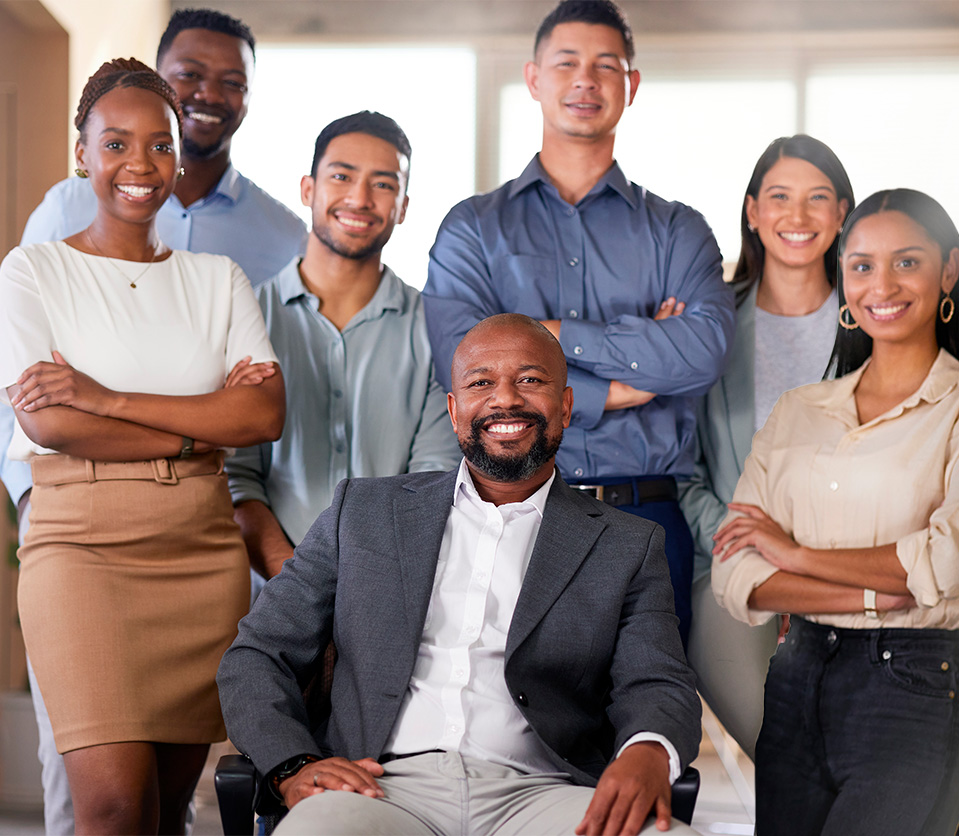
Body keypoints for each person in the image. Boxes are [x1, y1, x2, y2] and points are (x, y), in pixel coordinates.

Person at [218, 314, 701, 836]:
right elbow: (257, 654)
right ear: (454, 411)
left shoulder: (626, 544)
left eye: (531, 380)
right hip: (375, 788)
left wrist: (648, 750)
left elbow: (657, 682)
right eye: (480, 383)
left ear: (565, 407)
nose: (506, 400)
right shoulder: (362, 512)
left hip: (545, 794)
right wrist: (292, 764)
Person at [2, 11, 305, 832]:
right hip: (80, 544)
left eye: (159, 144)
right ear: (83, 154)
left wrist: (104, 397)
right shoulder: (34, 268)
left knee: (168, 809)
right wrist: (199, 428)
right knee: (109, 807)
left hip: (197, 550)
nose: (141, 164)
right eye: (116, 144)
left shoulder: (218, 277)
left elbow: (264, 412)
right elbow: (52, 424)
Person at [422, 0, 734, 647]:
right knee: (504, 727)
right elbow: (465, 363)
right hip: (508, 511)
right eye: (566, 62)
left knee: (646, 719)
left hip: (646, 516)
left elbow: (701, 350)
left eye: (605, 65)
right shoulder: (471, 229)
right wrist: (625, 381)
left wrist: (548, 334)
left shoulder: (677, 230)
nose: (585, 80)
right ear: (534, 78)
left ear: (631, 85)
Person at [711, 189, 959, 835]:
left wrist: (794, 557)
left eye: (906, 262)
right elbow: (735, 571)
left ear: (949, 271)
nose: (881, 284)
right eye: (860, 265)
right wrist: (881, 594)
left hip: (917, 682)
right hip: (796, 674)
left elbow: (945, 564)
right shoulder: (799, 408)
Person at [678, 135, 854, 758]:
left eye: (817, 199)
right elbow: (684, 470)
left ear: (842, 214)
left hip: (853, 569)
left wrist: (809, 562)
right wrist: (747, 547)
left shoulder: (877, 322)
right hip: (733, 569)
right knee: (788, 752)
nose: (797, 217)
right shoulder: (710, 325)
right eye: (780, 197)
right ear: (753, 211)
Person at [226, 112, 459, 579]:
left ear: (404, 206)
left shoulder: (435, 328)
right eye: (341, 176)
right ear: (308, 189)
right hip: (267, 601)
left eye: (383, 184)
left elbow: (433, 480)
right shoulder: (245, 315)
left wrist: (366, 596)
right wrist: (297, 590)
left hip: (394, 591)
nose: (359, 198)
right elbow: (237, 480)